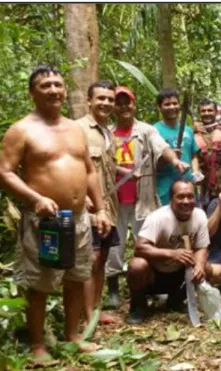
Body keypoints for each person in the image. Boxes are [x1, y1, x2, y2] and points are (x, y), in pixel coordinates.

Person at [0, 65, 111, 360]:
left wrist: (99, 209)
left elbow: (89, 170)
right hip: (44, 221)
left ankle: (72, 335)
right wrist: (35, 198)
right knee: (40, 282)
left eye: (57, 84)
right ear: (32, 93)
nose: (53, 90)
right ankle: (37, 344)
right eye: (45, 85)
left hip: (77, 218)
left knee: (76, 277)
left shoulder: (75, 128)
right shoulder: (21, 130)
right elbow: (5, 173)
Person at [106, 86, 188, 308]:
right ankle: (112, 289)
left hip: (144, 198)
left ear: (134, 104)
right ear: (113, 106)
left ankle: (151, 285)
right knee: (115, 244)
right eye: (119, 103)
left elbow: (162, 148)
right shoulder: (107, 132)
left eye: (128, 102)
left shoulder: (146, 130)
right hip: (115, 200)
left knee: (150, 243)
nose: (124, 107)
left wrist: (175, 161)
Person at [126, 179, 209, 324]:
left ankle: (176, 300)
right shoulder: (158, 218)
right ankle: (138, 306)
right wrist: (172, 253)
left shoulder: (200, 215)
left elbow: (202, 247)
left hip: (180, 273)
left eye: (190, 196)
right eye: (180, 196)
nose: (186, 201)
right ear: (171, 199)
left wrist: (200, 266)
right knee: (137, 265)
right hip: (154, 274)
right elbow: (140, 248)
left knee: (205, 267)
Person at [76, 81, 121, 325]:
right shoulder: (78, 129)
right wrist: (81, 197)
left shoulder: (108, 132)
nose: (105, 103)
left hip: (107, 207)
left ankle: (95, 310)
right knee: (89, 260)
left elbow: (105, 167)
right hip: (88, 209)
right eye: (100, 98)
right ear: (89, 101)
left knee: (101, 260)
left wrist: (128, 170)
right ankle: (84, 314)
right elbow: (73, 167)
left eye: (110, 100)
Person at [154, 88, 201, 206]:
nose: (172, 107)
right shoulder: (154, 131)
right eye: (167, 104)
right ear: (159, 107)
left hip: (188, 186)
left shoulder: (188, 130)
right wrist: (167, 159)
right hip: (165, 188)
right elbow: (151, 164)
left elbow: (194, 155)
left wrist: (195, 172)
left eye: (175, 103)